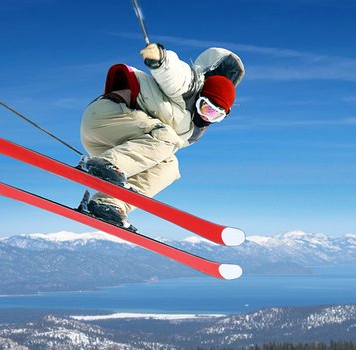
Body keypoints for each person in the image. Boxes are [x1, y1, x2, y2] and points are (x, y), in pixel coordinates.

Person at [77, 42, 245, 229]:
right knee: (169, 138)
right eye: (205, 107)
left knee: (170, 166)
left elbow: (155, 149)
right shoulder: (189, 87)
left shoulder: (193, 130)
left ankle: (109, 204)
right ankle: (106, 165)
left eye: (215, 115)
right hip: (107, 117)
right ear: (200, 97)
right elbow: (174, 75)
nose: (207, 116)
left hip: (113, 144)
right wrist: (161, 60)